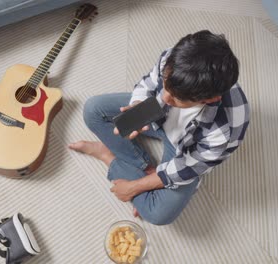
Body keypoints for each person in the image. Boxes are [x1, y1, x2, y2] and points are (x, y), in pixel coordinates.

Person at [68, 30, 250, 225]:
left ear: (210, 100)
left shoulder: (222, 133)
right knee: (93, 110)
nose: (164, 98)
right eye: (165, 84)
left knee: (159, 215)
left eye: (176, 98)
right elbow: (148, 84)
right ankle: (145, 167)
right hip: (158, 119)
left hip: (184, 149)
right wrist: (139, 104)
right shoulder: (175, 59)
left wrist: (134, 188)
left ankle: (108, 156)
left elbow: (185, 168)